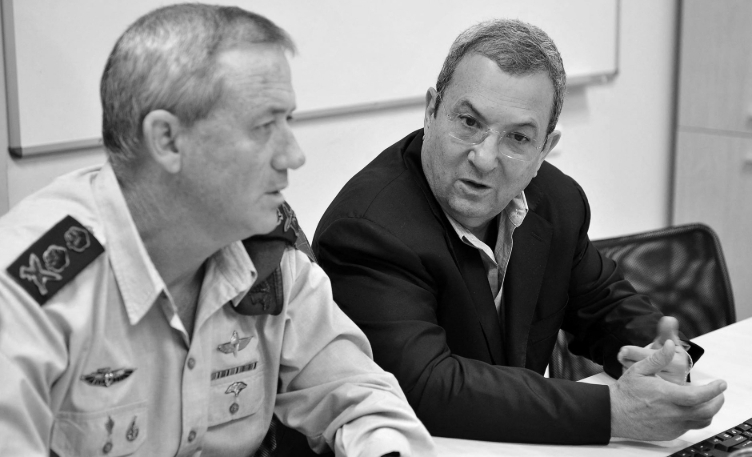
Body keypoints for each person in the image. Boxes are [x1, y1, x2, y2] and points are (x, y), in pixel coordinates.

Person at [0, 4, 436, 457]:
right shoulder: (30, 290)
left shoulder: (264, 254)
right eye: (265, 125)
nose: (293, 154)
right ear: (168, 139)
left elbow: (361, 400)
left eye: (288, 120)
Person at [313, 19, 727, 445]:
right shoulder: (367, 231)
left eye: (517, 138)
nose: (485, 158)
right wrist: (613, 414)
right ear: (432, 109)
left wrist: (663, 355)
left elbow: (602, 302)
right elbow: (425, 387)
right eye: (470, 122)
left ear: (544, 149)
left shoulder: (555, 199)